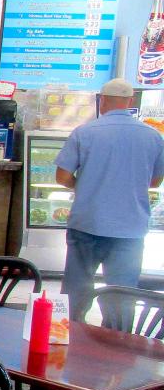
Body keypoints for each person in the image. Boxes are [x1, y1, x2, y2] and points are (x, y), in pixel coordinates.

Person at [55, 78, 164, 320]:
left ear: (102, 101)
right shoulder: (153, 136)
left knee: (76, 290)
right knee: (121, 295)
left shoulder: (84, 132)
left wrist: (83, 185)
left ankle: (70, 335)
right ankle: (117, 340)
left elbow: (62, 176)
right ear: (130, 101)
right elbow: (155, 181)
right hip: (130, 229)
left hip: (87, 223)